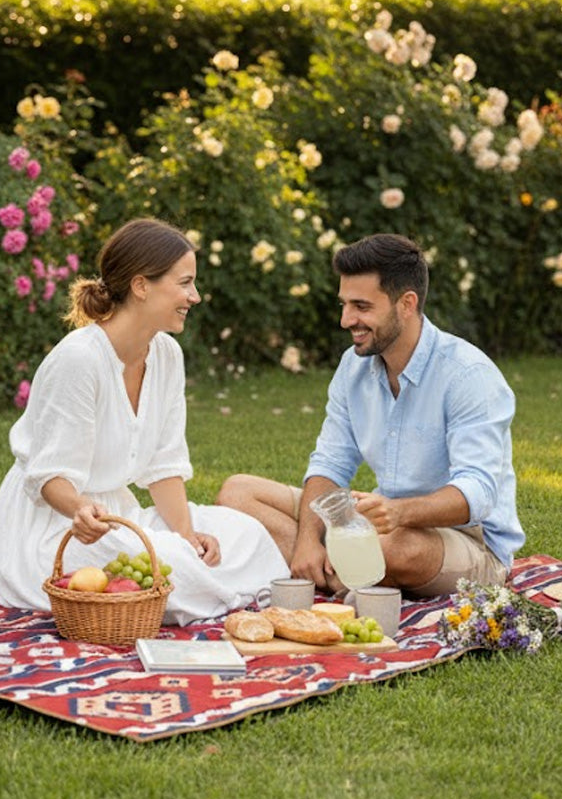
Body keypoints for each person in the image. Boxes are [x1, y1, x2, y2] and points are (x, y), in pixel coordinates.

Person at [0, 218, 289, 624]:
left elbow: (163, 466)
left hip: (118, 516)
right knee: (167, 562)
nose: (194, 296)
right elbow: (49, 476)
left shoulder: (166, 355)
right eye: (184, 283)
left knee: (241, 533)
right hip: (58, 527)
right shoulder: (79, 359)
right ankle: (213, 592)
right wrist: (81, 511)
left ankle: (201, 586)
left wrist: (187, 533)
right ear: (141, 285)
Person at [217, 232, 524, 598]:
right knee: (237, 492)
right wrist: (307, 540)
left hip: (467, 541)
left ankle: (331, 576)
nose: (347, 319)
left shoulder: (468, 375)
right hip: (378, 523)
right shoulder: (353, 367)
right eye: (344, 304)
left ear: (406, 304)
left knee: (396, 547)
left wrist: (399, 513)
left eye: (361, 306)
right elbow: (330, 465)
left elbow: (478, 493)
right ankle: (338, 572)